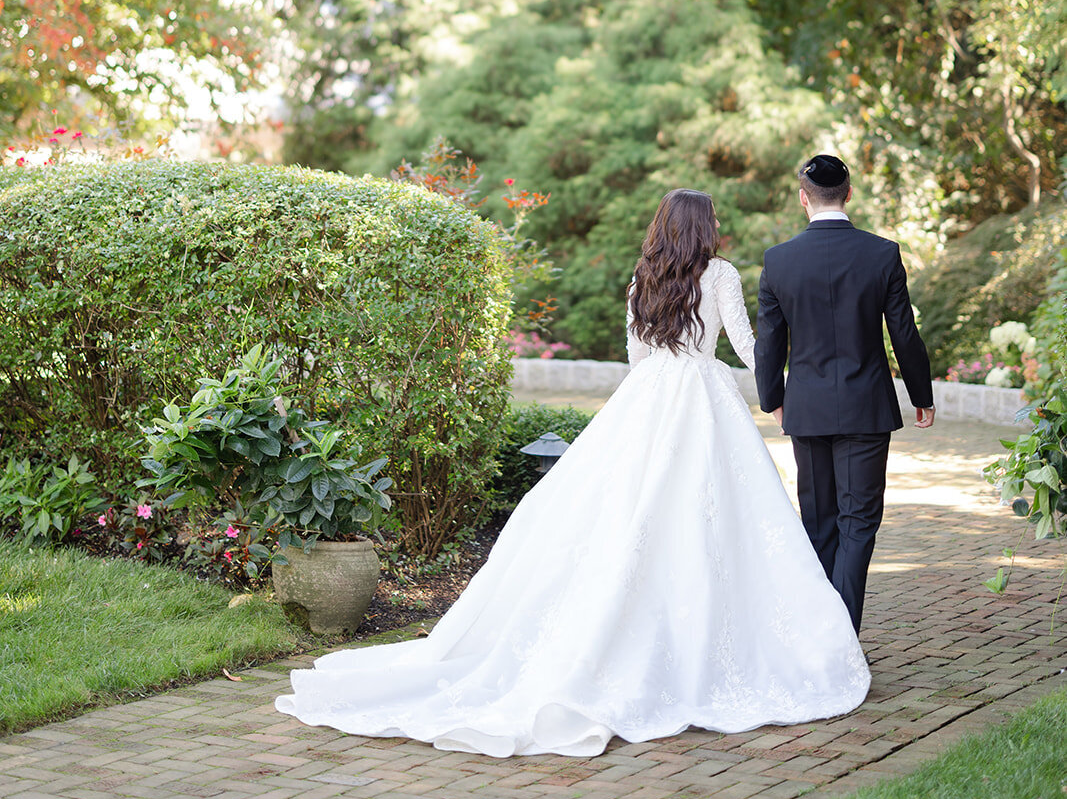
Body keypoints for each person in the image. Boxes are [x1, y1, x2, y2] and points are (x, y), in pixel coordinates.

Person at [276, 188, 870, 758]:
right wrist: (795, 361)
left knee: (632, 512)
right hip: (702, 398)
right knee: (712, 517)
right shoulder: (721, 275)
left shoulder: (644, 278)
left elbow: (638, 356)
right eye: (712, 221)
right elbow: (745, 345)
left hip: (647, 399)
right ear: (704, 230)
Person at [754, 155, 935, 634]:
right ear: (849, 194)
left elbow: (769, 341)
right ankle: (840, 635)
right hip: (866, 407)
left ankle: (820, 635)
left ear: (803, 198)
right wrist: (922, 394)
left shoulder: (778, 260)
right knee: (858, 524)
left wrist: (772, 397)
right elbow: (905, 333)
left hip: (807, 408)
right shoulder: (882, 253)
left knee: (819, 523)